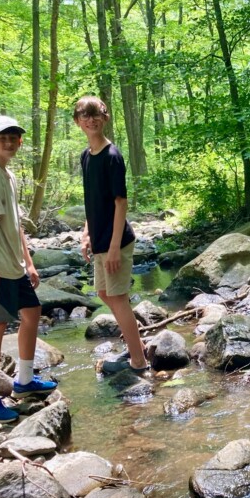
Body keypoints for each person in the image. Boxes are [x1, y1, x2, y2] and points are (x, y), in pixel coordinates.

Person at [0, 116, 58, 423]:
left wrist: (30, 262)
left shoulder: (7, 174)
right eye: (2, 138)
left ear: (19, 142)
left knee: (32, 312)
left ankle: (23, 382)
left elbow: (16, 224)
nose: (8, 143)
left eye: (13, 138)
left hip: (15, 265)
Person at [75, 96, 150, 374]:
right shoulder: (85, 156)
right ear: (77, 121)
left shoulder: (112, 156)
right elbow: (91, 200)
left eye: (96, 115)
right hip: (99, 240)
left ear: (105, 118)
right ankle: (136, 347)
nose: (91, 120)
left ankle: (139, 360)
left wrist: (115, 247)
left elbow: (121, 202)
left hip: (116, 240)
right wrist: (86, 234)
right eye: (85, 115)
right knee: (104, 293)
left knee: (117, 298)